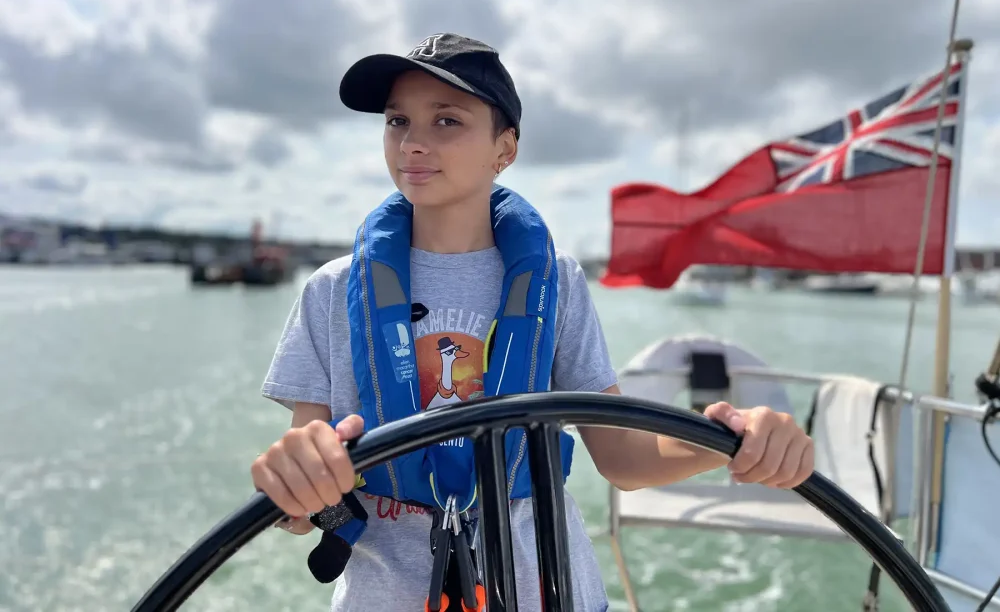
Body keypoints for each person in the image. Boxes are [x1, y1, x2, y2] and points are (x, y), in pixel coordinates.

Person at [252, 33, 815, 612]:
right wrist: (295, 488)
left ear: (505, 148)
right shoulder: (328, 290)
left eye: (447, 121)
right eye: (398, 121)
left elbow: (625, 460)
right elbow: (307, 495)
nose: (414, 143)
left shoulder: (558, 283)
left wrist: (732, 440)